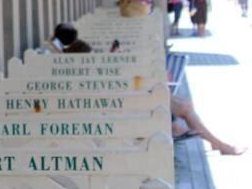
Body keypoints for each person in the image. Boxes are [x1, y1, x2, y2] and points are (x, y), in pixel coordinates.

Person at [50, 21, 245, 155]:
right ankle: (213, 142)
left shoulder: (70, 57)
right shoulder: (78, 52)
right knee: (183, 106)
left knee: (182, 105)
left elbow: (97, 77)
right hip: (117, 103)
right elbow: (100, 80)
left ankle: (209, 140)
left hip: (119, 99)